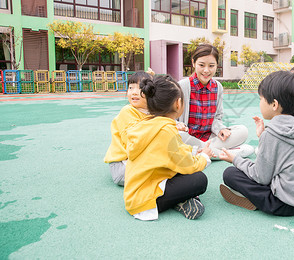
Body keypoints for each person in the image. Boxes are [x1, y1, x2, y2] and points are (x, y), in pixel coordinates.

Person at [219, 71, 294, 216]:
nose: (259, 102)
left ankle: (254, 199)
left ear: (274, 104)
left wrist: (235, 159)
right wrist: (263, 136)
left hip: (284, 204)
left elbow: (261, 176)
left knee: (230, 174)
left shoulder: (272, 135)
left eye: (261, 99)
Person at [123, 74, 213, 221]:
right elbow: (187, 164)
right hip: (145, 202)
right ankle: (182, 200)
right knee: (199, 180)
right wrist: (204, 157)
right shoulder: (166, 130)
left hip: (134, 194)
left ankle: (182, 199)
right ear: (178, 103)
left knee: (183, 172)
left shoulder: (146, 124)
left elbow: (174, 152)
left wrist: (195, 152)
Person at [178, 43, 253, 158]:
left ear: (217, 65)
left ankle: (200, 152)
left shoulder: (218, 87)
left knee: (243, 131)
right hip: (187, 137)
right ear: (193, 63)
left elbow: (217, 118)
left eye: (211, 66)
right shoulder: (182, 86)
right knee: (177, 135)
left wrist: (220, 129)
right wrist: (178, 125)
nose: (206, 70)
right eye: (201, 65)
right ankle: (228, 153)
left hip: (210, 138)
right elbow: (170, 118)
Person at [103, 70, 154, 186]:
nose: (134, 92)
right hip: (121, 167)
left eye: (140, 88)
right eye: (131, 88)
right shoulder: (127, 111)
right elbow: (134, 144)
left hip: (134, 162)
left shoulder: (152, 112)